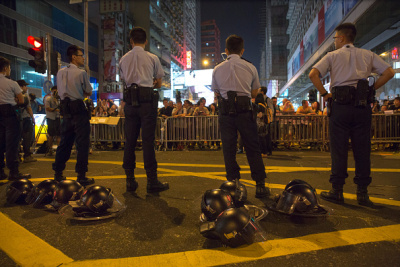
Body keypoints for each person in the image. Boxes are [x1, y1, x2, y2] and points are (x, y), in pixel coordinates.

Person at [309, 22, 395, 206]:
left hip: (340, 106)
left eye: (335, 39)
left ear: (341, 38)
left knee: (339, 150)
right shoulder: (367, 54)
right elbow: (389, 72)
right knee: (362, 150)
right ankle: (362, 193)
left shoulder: (333, 56)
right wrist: (370, 91)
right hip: (361, 107)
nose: (334, 42)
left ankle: (337, 190)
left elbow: (313, 74)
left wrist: (325, 94)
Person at [211, 34, 269, 198]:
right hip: (244, 111)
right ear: (242, 50)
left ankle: (233, 183)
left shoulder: (217, 68)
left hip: (225, 112)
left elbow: (216, 91)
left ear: (226, 50)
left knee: (228, 149)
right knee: (252, 147)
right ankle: (260, 185)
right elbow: (254, 91)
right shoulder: (250, 67)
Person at [119, 27, 168, 193]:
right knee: (148, 141)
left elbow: (124, 80)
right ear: (146, 41)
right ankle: (151, 181)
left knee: (129, 142)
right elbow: (159, 83)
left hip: (130, 103)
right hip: (147, 102)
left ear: (131, 41)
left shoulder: (123, 59)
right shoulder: (152, 58)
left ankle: (130, 181)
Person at [52, 45, 94, 186]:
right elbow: (88, 91)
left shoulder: (60, 72)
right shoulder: (81, 73)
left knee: (65, 142)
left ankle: (58, 173)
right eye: (81, 55)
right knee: (82, 143)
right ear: (74, 57)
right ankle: (81, 175)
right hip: (78, 107)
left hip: (65, 108)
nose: (83, 58)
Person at [0, 57, 31, 180]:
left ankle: (1, 171)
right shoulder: (12, 83)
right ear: (6, 68)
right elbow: (21, 100)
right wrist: (14, 100)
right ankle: (13, 172)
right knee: (12, 143)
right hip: (10, 114)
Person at [16, 80, 37, 163]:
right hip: (25, 119)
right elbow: (29, 108)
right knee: (27, 138)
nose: (26, 87)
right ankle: (27, 156)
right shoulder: (25, 96)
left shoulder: (13, 95)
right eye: (25, 86)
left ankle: (17, 157)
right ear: (21, 87)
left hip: (16, 119)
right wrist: (33, 118)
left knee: (16, 139)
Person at [44, 86, 61, 157]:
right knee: (50, 134)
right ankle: (50, 149)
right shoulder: (48, 98)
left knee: (59, 134)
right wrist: (56, 109)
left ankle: (59, 150)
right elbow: (47, 108)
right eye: (55, 91)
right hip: (51, 118)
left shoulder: (59, 99)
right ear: (52, 91)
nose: (56, 92)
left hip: (57, 118)